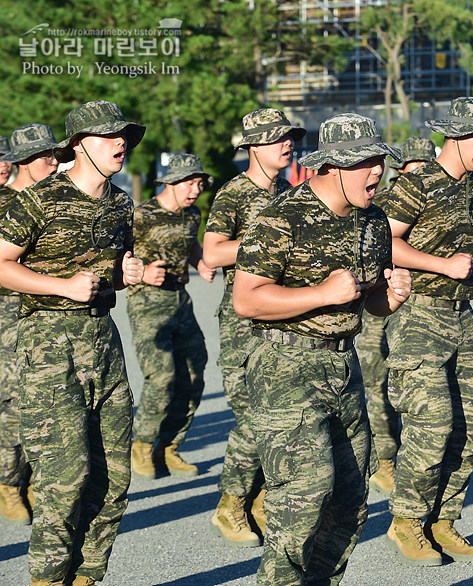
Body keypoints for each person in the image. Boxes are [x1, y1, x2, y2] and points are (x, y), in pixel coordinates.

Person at [233, 113, 411, 586]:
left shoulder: (373, 220)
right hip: (285, 367)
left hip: (343, 366)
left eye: (379, 160)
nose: (378, 171)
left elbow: (368, 299)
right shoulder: (281, 217)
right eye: (365, 162)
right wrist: (320, 294)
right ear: (331, 165)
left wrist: (389, 299)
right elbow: (246, 299)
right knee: (304, 496)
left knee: (350, 500)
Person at [0, 100, 145, 586]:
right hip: (48, 344)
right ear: (79, 145)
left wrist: (125, 275)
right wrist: (61, 286)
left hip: (103, 342)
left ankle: (87, 577)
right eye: (108, 136)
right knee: (64, 481)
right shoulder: (39, 199)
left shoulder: (121, 201)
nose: (120, 142)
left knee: (113, 479)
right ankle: (48, 578)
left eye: (123, 135)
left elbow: (112, 272)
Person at [382, 97, 473, 566]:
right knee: (431, 422)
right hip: (418, 314)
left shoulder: (472, 187)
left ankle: (443, 519)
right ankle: (407, 521)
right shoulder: (417, 183)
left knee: (470, 426)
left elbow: (456, 246)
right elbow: (385, 244)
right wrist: (441, 265)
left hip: (461, 315)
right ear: (452, 137)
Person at [203, 108, 305, 547]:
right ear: (253, 148)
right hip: (243, 323)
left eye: (290, 137)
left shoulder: (288, 190)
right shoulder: (234, 194)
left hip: (283, 318)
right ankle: (230, 505)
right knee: (253, 417)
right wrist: (268, 241)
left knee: (280, 415)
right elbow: (212, 252)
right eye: (277, 138)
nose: (288, 143)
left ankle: (261, 499)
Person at [129, 154, 215, 480]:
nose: (196, 190)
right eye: (190, 183)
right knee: (162, 376)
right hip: (148, 302)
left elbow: (190, 243)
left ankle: (169, 446)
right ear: (171, 182)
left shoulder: (192, 214)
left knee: (194, 373)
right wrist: (140, 273)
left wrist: (201, 262)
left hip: (181, 300)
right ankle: (142, 443)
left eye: (199, 183)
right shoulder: (142, 215)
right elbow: (118, 255)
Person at [361, 136, 436, 496]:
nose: (420, 170)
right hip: (379, 302)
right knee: (376, 382)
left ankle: (403, 455)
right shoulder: (383, 201)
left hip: (417, 305)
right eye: (414, 165)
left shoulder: (436, 196)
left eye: (426, 164)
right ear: (401, 168)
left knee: (407, 387)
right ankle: (384, 460)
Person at [0, 123, 58, 527]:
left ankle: (40, 479)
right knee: (12, 401)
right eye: (45, 156)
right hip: (6, 311)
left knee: (47, 397)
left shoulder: (55, 199)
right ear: (23, 162)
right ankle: (9, 482)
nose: (54, 162)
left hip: (47, 312)